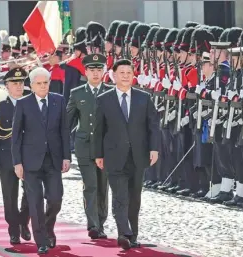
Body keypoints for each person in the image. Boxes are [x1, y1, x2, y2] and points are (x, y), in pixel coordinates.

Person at [94, 59, 160, 250]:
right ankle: (124, 232)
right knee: (119, 196)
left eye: (128, 73)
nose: (125, 76)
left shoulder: (143, 98)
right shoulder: (104, 99)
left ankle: (134, 233)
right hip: (114, 156)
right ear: (113, 75)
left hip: (138, 155)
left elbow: (153, 126)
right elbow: (98, 130)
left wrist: (154, 149)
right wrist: (98, 154)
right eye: (121, 73)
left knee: (134, 197)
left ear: (133, 75)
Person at [11, 67, 71, 254]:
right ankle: (41, 240)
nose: (43, 86)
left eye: (46, 83)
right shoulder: (23, 104)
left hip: (53, 160)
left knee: (55, 198)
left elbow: (64, 131)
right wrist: (17, 162)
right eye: (39, 83)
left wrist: (66, 156)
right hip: (30, 161)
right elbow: (16, 136)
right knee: (35, 201)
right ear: (31, 85)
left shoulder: (58, 100)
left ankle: (47, 226)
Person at [66, 53, 112, 239]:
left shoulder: (111, 92)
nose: (95, 73)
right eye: (92, 70)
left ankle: (101, 220)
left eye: (99, 69)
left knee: (103, 186)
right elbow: (67, 123)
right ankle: (93, 224)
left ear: (104, 71)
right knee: (90, 185)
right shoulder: (77, 93)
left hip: (106, 148)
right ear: (85, 72)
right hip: (84, 146)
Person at [0, 67, 31, 245]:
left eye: (21, 83)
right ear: (6, 86)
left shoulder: (31, 102)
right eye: (15, 83)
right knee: (10, 196)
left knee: (31, 193)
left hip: (29, 157)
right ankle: (13, 229)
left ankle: (24, 222)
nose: (19, 86)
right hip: (6, 157)